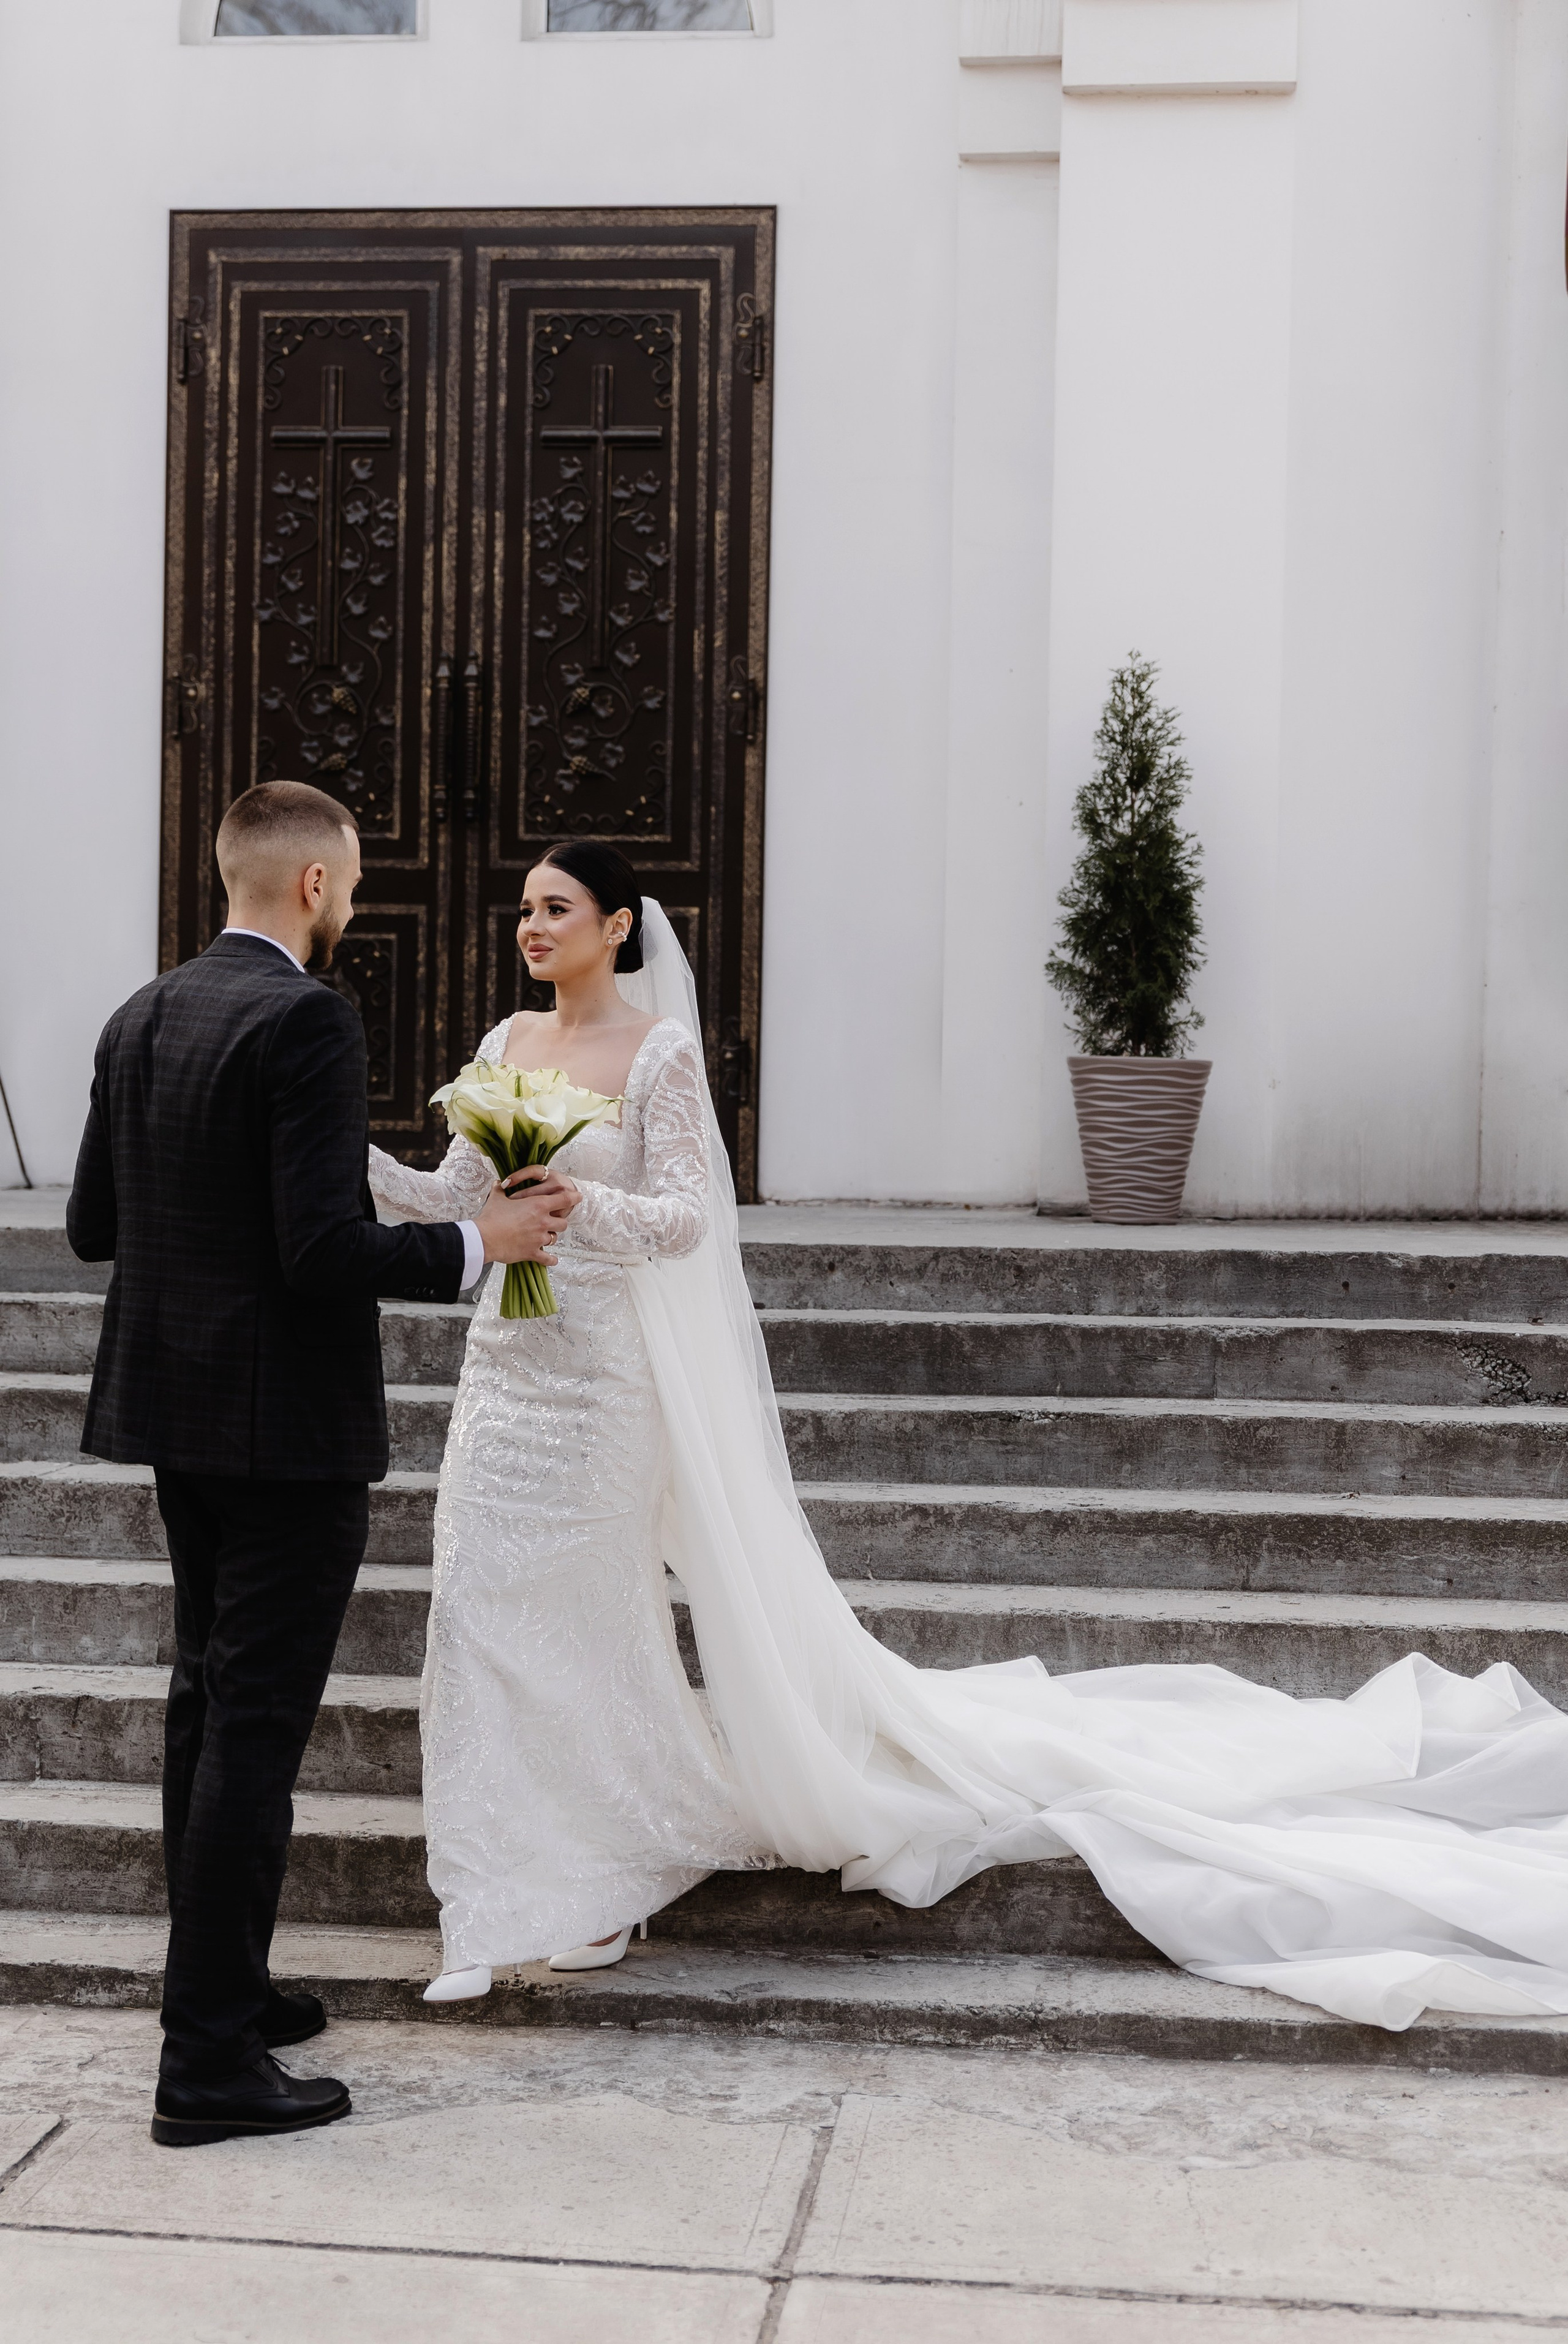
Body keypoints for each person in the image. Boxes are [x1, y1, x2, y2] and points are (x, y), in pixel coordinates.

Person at [377, 843, 1568, 2034]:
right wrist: (360, 1169)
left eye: (555, 907)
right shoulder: (501, 1047)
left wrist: (589, 1206)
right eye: (525, 909)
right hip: (508, 1372)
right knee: (474, 1611)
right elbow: (455, 1193)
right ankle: (483, 1896)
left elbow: (689, 1218)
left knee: (591, 1625)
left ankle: (600, 1868)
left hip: (604, 1385)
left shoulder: (659, 1054)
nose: (530, 925)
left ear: (616, 924)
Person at [67, 779, 570, 2147]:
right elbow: (321, 1252)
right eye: (347, 884)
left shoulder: (142, 1011)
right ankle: (208, 2061)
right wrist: (484, 1246)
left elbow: (92, 1225)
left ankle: (223, 1992)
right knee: (251, 1727)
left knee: (201, 1700)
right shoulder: (306, 1016)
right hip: (281, 1432)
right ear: (309, 885)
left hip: (173, 1414)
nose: (348, 904)